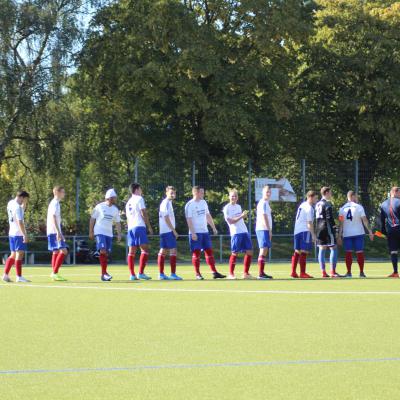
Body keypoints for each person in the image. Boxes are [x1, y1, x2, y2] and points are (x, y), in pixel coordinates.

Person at [185, 186, 226, 280]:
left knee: (209, 251)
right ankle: (197, 274)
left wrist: (213, 227)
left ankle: (214, 272)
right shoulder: (189, 204)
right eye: (201, 192)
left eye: (203, 192)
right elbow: (189, 219)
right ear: (195, 192)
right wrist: (193, 232)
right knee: (197, 253)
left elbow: (207, 215)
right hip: (195, 233)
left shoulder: (203, 202)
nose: (203, 194)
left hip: (205, 232)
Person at [338, 191, 374, 278]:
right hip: (358, 233)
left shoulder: (342, 209)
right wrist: (370, 231)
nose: (357, 198)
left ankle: (349, 273)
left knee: (348, 253)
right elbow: (364, 220)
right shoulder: (359, 207)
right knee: (359, 252)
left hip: (347, 234)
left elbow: (341, 223)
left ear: (347, 197)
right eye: (356, 196)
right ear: (353, 196)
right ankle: (361, 273)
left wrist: (339, 235)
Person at [89, 188, 121, 281]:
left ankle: (104, 274)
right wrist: (91, 231)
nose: (115, 199)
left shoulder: (115, 209)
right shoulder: (99, 206)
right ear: (109, 198)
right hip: (99, 232)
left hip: (109, 234)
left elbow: (118, 222)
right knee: (103, 250)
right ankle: (104, 274)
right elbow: (92, 219)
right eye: (114, 197)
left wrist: (119, 234)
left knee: (106, 253)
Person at [223, 189, 254, 279]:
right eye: (232, 196)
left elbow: (239, 219)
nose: (234, 197)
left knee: (249, 251)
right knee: (235, 253)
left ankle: (246, 273)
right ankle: (231, 274)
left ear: (237, 197)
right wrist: (241, 216)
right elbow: (231, 221)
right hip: (236, 233)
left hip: (244, 231)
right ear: (229, 197)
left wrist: (243, 217)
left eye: (235, 196)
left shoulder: (238, 206)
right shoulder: (227, 208)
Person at [126, 183, 153, 280]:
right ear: (137, 190)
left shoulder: (128, 202)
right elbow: (143, 212)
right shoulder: (139, 199)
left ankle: (132, 275)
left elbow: (128, 218)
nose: (141, 191)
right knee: (145, 250)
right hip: (139, 226)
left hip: (130, 228)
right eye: (140, 189)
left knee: (131, 252)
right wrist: (149, 226)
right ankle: (141, 273)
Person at [2, 190, 30, 283]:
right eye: (25, 199)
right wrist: (24, 234)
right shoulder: (17, 207)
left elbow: (21, 210)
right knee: (19, 254)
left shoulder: (11, 203)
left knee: (13, 254)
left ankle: (5, 275)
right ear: (22, 197)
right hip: (18, 233)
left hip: (11, 233)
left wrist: (24, 204)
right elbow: (20, 222)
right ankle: (19, 276)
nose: (25, 201)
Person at [291, 191, 317, 279]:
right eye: (315, 198)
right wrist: (313, 235)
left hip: (297, 231)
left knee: (297, 251)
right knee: (304, 251)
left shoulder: (302, 205)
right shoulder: (309, 208)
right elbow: (309, 223)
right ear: (310, 197)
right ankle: (302, 273)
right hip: (304, 231)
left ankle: (293, 272)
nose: (316, 200)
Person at [158, 186, 182, 280]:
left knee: (163, 251)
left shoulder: (168, 203)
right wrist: (174, 231)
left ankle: (161, 274)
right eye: (171, 193)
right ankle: (172, 274)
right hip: (167, 230)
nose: (173, 195)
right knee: (173, 250)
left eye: (174, 193)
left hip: (165, 230)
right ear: (166, 193)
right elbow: (166, 218)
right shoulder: (165, 203)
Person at [315, 187, 340, 278]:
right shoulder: (327, 204)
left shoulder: (317, 204)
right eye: (330, 193)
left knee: (322, 249)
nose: (331, 194)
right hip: (327, 227)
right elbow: (329, 217)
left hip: (318, 228)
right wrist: (335, 228)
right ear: (326, 193)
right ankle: (333, 272)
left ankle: (323, 272)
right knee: (333, 247)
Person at [47, 186, 68, 281]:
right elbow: (53, 217)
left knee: (55, 251)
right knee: (64, 251)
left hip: (52, 231)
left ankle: (54, 273)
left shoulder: (55, 203)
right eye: (63, 192)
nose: (64, 194)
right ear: (57, 192)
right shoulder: (55, 203)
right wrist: (58, 232)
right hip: (54, 231)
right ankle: (54, 272)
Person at [379, 187, 400, 278]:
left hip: (391, 231)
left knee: (393, 252)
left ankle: (395, 272)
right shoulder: (399, 202)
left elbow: (382, 220)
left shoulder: (383, 204)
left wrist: (383, 232)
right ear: (395, 192)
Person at [255, 185, 273, 280]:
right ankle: (260, 274)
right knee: (263, 249)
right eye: (267, 192)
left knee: (264, 249)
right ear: (262, 193)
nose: (268, 193)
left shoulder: (266, 203)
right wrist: (269, 230)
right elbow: (264, 216)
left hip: (263, 229)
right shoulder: (263, 203)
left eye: (269, 192)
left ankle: (261, 273)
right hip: (263, 229)